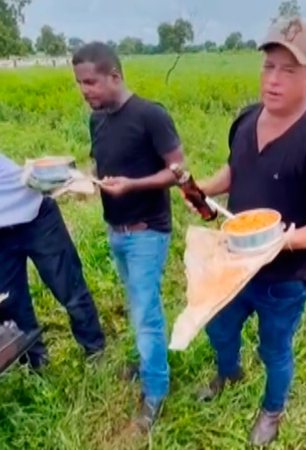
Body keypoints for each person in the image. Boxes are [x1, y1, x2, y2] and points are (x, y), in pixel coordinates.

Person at [188, 17, 306, 446]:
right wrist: (202, 187)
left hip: (284, 277)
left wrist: (285, 240)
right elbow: (235, 169)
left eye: (289, 70)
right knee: (218, 327)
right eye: (269, 66)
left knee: (274, 348)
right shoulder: (247, 119)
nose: (274, 80)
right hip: (234, 262)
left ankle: (272, 410)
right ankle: (228, 372)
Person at [72, 42, 185, 432]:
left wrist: (132, 186)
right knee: (138, 306)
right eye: (79, 83)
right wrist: (82, 181)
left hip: (147, 232)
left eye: (91, 82)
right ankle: (146, 363)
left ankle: (156, 391)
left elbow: (178, 171)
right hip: (115, 230)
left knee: (145, 314)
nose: (85, 90)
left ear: (115, 76)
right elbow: (99, 163)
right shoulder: (97, 119)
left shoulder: (151, 116)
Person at [0, 153, 106, 370]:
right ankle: (36, 366)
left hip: (37, 216)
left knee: (70, 288)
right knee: (12, 304)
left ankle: (96, 354)